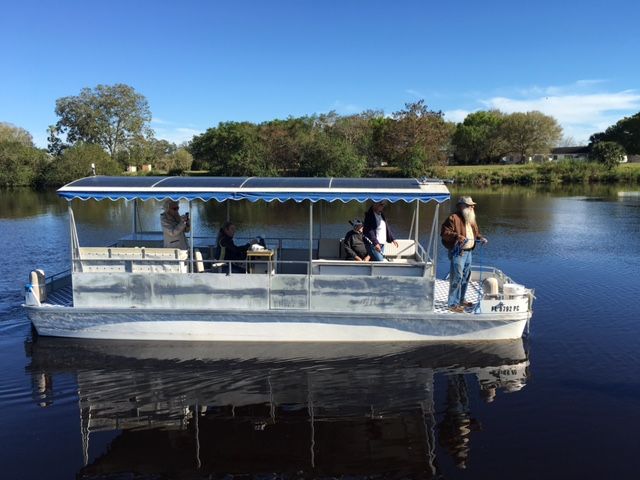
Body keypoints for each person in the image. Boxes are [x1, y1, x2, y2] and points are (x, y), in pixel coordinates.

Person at [440, 196, 488, 313]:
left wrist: (481, 238)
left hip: (469, 252)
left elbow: (475, 233)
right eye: (469, 205)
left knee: (466, 277)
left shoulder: (470, 218)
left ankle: (461, 300)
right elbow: (444, 233)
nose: (472, 207)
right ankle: (452, 304)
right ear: (461, 206)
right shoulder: (453, 218)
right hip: (458, 252)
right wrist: (457, 236)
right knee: (457, 277)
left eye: (472, 205)